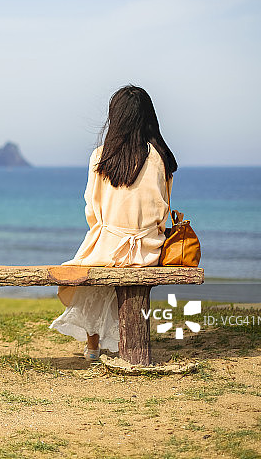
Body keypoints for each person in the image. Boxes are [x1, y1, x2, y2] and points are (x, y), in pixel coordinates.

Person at [50, 85, 177, 361]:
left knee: (91, 264)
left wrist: (106, 228)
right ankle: (126, 341)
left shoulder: (100, 156)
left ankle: (93, 345)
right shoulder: (160, 158)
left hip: (108, 243)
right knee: (114, 268)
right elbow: (164, 211)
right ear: (148, 117)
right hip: (146, 249)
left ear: (115, 117)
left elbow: (92, 209)